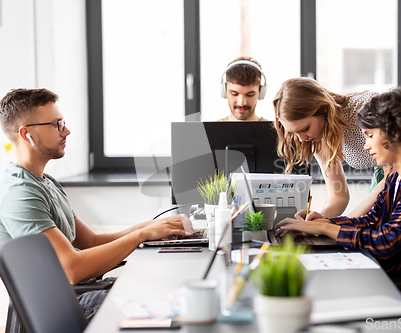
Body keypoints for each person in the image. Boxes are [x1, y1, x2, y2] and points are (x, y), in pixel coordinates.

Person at [0, 88, 194, 320]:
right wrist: (141, 236)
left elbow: (91, 242)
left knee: (166, 286)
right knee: (169, 304)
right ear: (26, 134)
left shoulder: (45, 182)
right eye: (56, 125)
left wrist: (151, 227)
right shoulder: (19, 193)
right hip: (60, 307)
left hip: (78, 293)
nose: (67, 131)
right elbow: (72, 269)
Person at [275, 87, 401, 320]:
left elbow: (386, 242)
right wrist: (324, 221)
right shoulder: (399, 175)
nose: (365, 146)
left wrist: (325, 228)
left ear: (392, 133)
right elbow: (372, 220)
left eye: (369, 136)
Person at [273, 77, 401, 219]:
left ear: (322, 109)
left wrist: (331, 227)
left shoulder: (365, 109)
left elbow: (389, 180)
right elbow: (338, 195)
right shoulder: (317, 138)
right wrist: (320, 218)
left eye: (304, 129)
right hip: (387, 173)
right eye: (294, 133)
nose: (302, 139)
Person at [218, 57, 268, 121]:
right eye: (234, 94)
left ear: (261, 92)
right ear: (224, 91)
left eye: (250, 94)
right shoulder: (208, 130)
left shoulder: (276, 130)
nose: (241, 103)